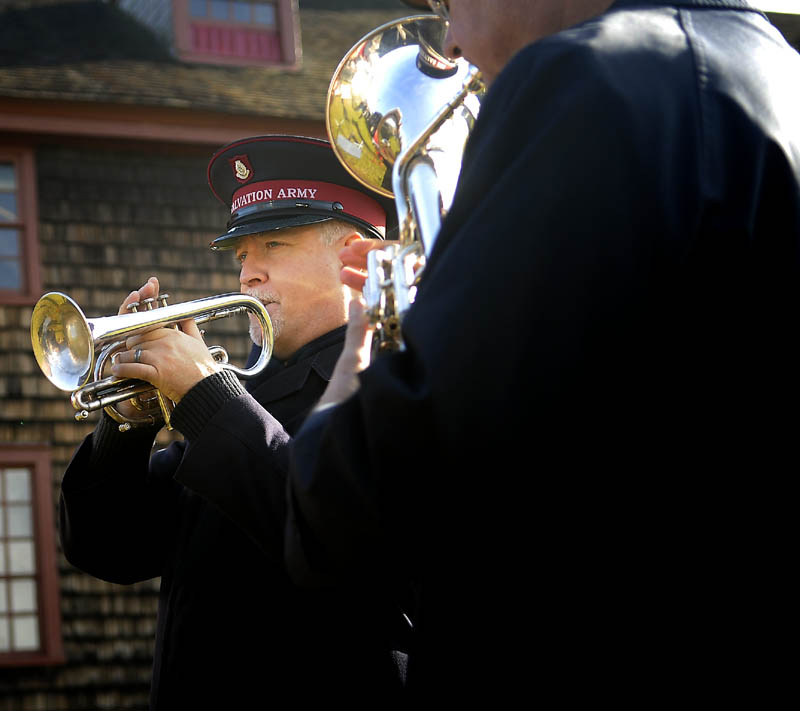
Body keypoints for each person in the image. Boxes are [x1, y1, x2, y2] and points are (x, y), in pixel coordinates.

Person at [280, 0, 800, 703]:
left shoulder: (585, 79)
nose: (453, 41)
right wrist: (466, 284)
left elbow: (359, 497)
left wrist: (358, 361)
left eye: (445, 4)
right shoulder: (780, 72)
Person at [58, 135, 409, 708]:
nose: (249, 274)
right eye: (242, 253)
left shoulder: (401, 381)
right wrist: (126, 424)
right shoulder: (244, 395)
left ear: (354, 259)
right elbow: (107, 549)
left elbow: (336, 538)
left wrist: (205, 398)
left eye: (274, 244)